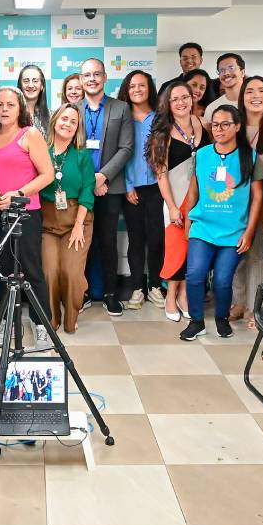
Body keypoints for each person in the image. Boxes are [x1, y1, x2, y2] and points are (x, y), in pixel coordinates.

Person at [181, 104, 263, 341]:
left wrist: (249, 232)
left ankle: (221, 318)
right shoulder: (202, 154)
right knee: (195, 274)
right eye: (215, 124)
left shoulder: (251, 156)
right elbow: (193, 192)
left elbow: (257, 197)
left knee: (222, 280)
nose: (219, 129)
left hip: (233, 231)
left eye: (225, 124)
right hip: (203, 226)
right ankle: (196, 321)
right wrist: (189, 222)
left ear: (237, 126)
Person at [0, 86, 54, 345]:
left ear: (20, 108)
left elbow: (47, 175)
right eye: (0, 104)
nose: (4, 109)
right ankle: (8, 322)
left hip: (24, 214)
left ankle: (41, 324)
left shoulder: (30, 134)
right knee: (3, 272)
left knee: (32, 272)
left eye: (10, 105)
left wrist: (19, 193)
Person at [147, 81, 208, 322]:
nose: (181, 103)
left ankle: (184, 294)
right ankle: (171, 294)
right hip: (175, 199)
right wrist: (172, 206)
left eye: (185, 97)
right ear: (168, 104)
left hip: (202, 199)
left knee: (195, 250)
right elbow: (160, 174)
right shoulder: (162, 134)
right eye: (175, 99)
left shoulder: (204, 124)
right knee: (176, 249)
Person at [79, 58, 134, 315]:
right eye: (87, 75)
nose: (92, 79)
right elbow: (68, 148)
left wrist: (103, 177)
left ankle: (111, 294)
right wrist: (91, 181)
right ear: (81, 80)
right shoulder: (72, 109)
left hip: (109, 188)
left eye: (96, 74)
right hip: (81, 188)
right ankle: (84, 291)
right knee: (82, 242)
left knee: (109, 242)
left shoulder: (121, 108)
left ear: (104, 78)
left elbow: (126, 148)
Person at [41, 104, 95, 333]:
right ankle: (51, 319)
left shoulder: (82, 155)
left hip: (77, 218)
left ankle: (71, 320)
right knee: (50, 271)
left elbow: (88, 190)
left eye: (73, 122)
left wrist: (78, 225)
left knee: (72, 273)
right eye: (64, 118)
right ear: (55, 120)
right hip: (47, 220)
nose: (68, 124)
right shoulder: (41, 150)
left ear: (77, 128)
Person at [228, 76, 263, 324]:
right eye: (249, 91)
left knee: (257, 254)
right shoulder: (234, 126)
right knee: (236, 252)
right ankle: (238, 301)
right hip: (233, 202)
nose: (255, 95)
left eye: (261, 90)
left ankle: (256, 309)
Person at [119, 70, 165, 310]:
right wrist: (127, 186)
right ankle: (137, 287)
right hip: (131, 188)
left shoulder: (160, 118)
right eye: (132, 86)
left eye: (142, 86)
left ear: (150, 89)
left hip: (158, 187)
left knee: (157, 238)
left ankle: (155, 285)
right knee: (136, 239)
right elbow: (120, 154)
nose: (137, 90)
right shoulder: (122, 116)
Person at [206, 53, 246, 127]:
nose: (226, 73)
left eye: (231, 68)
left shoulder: (255, 102)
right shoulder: (212, 108)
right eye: (221, 70)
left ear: (242, 72)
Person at [17, 64, 51, 134]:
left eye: (35, 81)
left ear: (42, 86)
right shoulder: (11, 114)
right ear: (20, 85)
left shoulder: (52, 116)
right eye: (26, 81)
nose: (30, 85)